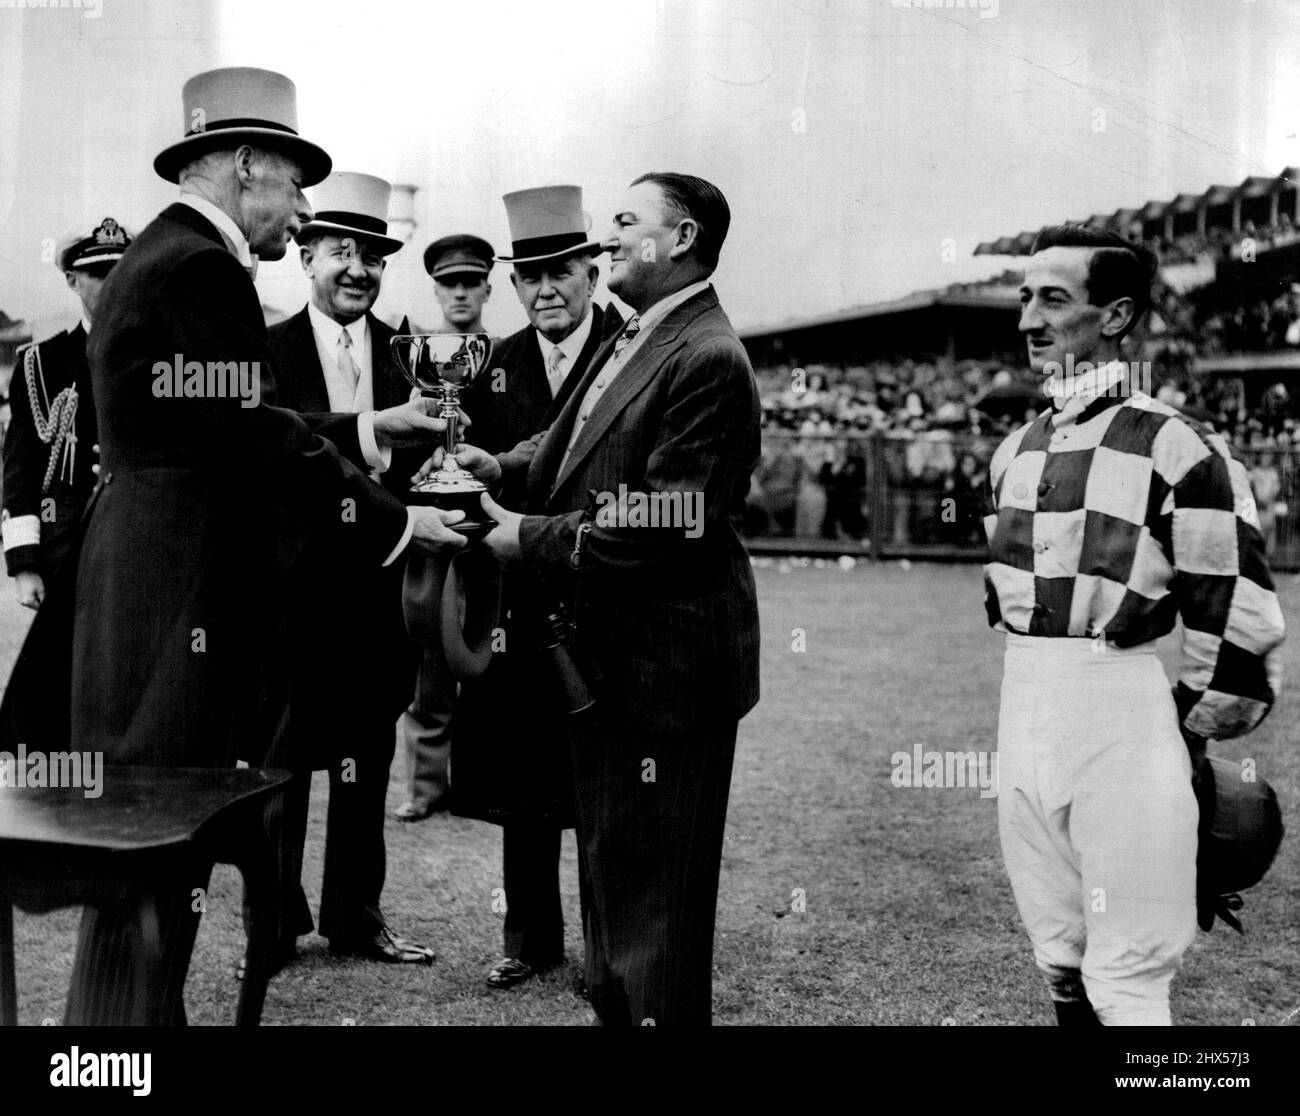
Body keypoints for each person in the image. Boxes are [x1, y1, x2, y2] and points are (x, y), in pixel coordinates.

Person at [45, 67, 465, 1026]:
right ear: (244, 166)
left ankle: (132, 1028)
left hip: (150, 590)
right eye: (295, 181)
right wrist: (399, 521)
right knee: (155, 836)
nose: (304, 207)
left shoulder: (170, 256)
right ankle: (120, 1038)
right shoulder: (199, 264)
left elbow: (252, 418)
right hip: (170, 600)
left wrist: (363, 439)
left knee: (153, 837)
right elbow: (259, 431)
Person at [445, 172, 761, 1025]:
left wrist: (526, 536)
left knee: (654, 909)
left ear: (682, 238)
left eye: (626, 222)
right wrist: (500, 468)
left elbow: (668, 520)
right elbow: (578, 437)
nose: (608, 238)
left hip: (666, 675)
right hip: (614, 667)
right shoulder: (647, 335)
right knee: (619, 896)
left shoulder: (706, 355)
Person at [985, 225, 1285, 1026]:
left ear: (1116, 316)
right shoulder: (1014, 449)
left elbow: (1238, 608)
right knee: (1059, 953)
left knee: (1130, 975)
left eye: (1054, 298)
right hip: (1026, 703)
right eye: (1024, 298)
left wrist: (1189, 732)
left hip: (1122, 707)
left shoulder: (1179, 444)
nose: (1029, 319)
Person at [450, 185, 621, 989]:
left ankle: (610, 946)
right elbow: (463, 481)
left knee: (605, 779)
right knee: (524, 772)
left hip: (609, 593)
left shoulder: (633, 348)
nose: (547, 289)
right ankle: (528, 938)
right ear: (512, 284)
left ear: (593, 270)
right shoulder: (490, 366)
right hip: (516, 598)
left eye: (562, 271)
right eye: (530, 276)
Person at [262, 171, 434, 968]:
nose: (358, 269)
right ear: (305, 257)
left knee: (367, 760)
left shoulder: (411, 355)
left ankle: (356, 918)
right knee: (283, 770)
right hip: (292, 597)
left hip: (379, 593)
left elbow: (428, 461)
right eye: (340, 251)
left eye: (371, 255)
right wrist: (370, 425)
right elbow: (277, 441)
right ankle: (274, 925)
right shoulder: (267, 351)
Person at [392, 232, 497, 822]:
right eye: (448, 283)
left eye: (469, 282)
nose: (460, 292)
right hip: (435, 521)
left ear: (486, 286)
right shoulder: (420, 357)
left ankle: (479, 783)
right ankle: (426, 786)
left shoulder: (503, 354)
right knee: (431, 657)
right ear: (436, 288)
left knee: (485, 651)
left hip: (492, 521)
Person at [2, 217, 130, 607]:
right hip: (65, 552)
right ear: (73, 280)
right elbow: (20, 468)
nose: (114, 283)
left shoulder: (163, 358)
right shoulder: (39, 364)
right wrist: (24, 564)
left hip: (141, 552)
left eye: (122, 270)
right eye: (99, 273)